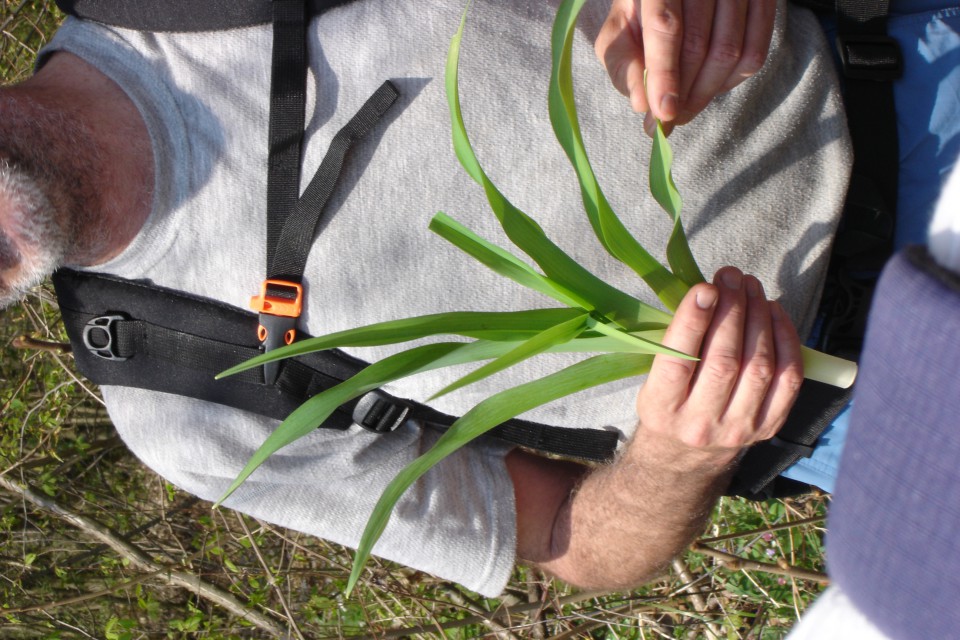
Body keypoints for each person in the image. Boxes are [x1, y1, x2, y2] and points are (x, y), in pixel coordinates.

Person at [1, 0, 856, 597]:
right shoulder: (178, 402)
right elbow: (572, 541)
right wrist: (678, 458)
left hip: (899, 89)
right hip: (852, 403)